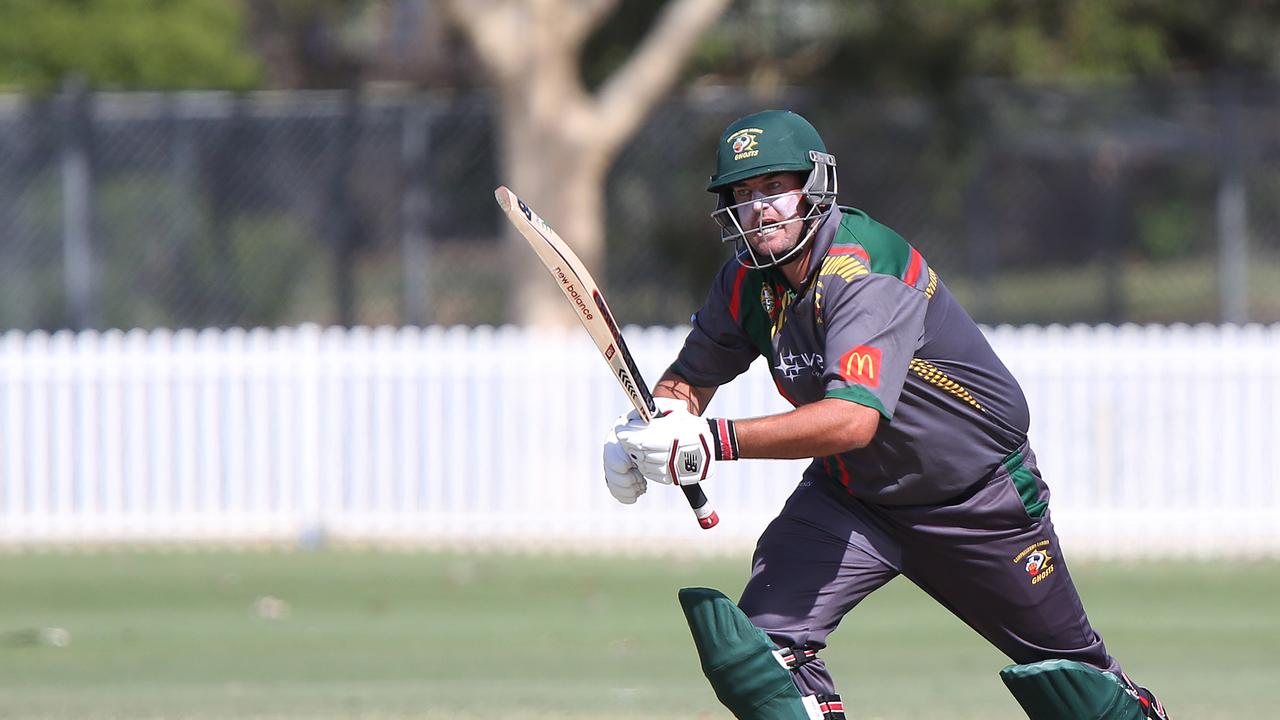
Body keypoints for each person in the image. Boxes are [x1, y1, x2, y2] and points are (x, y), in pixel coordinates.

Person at [602, 109, 1170, 720]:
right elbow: (690, 378)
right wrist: (655, 423)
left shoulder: (863, 268)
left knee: (1078, 693)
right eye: (743, 195)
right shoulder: (745, 281)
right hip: (853, 496)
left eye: (774, 189)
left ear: (814, 187)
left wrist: (709, 441)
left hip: (975, 498)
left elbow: (852, 420)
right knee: (761, 660)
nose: (758, 208)